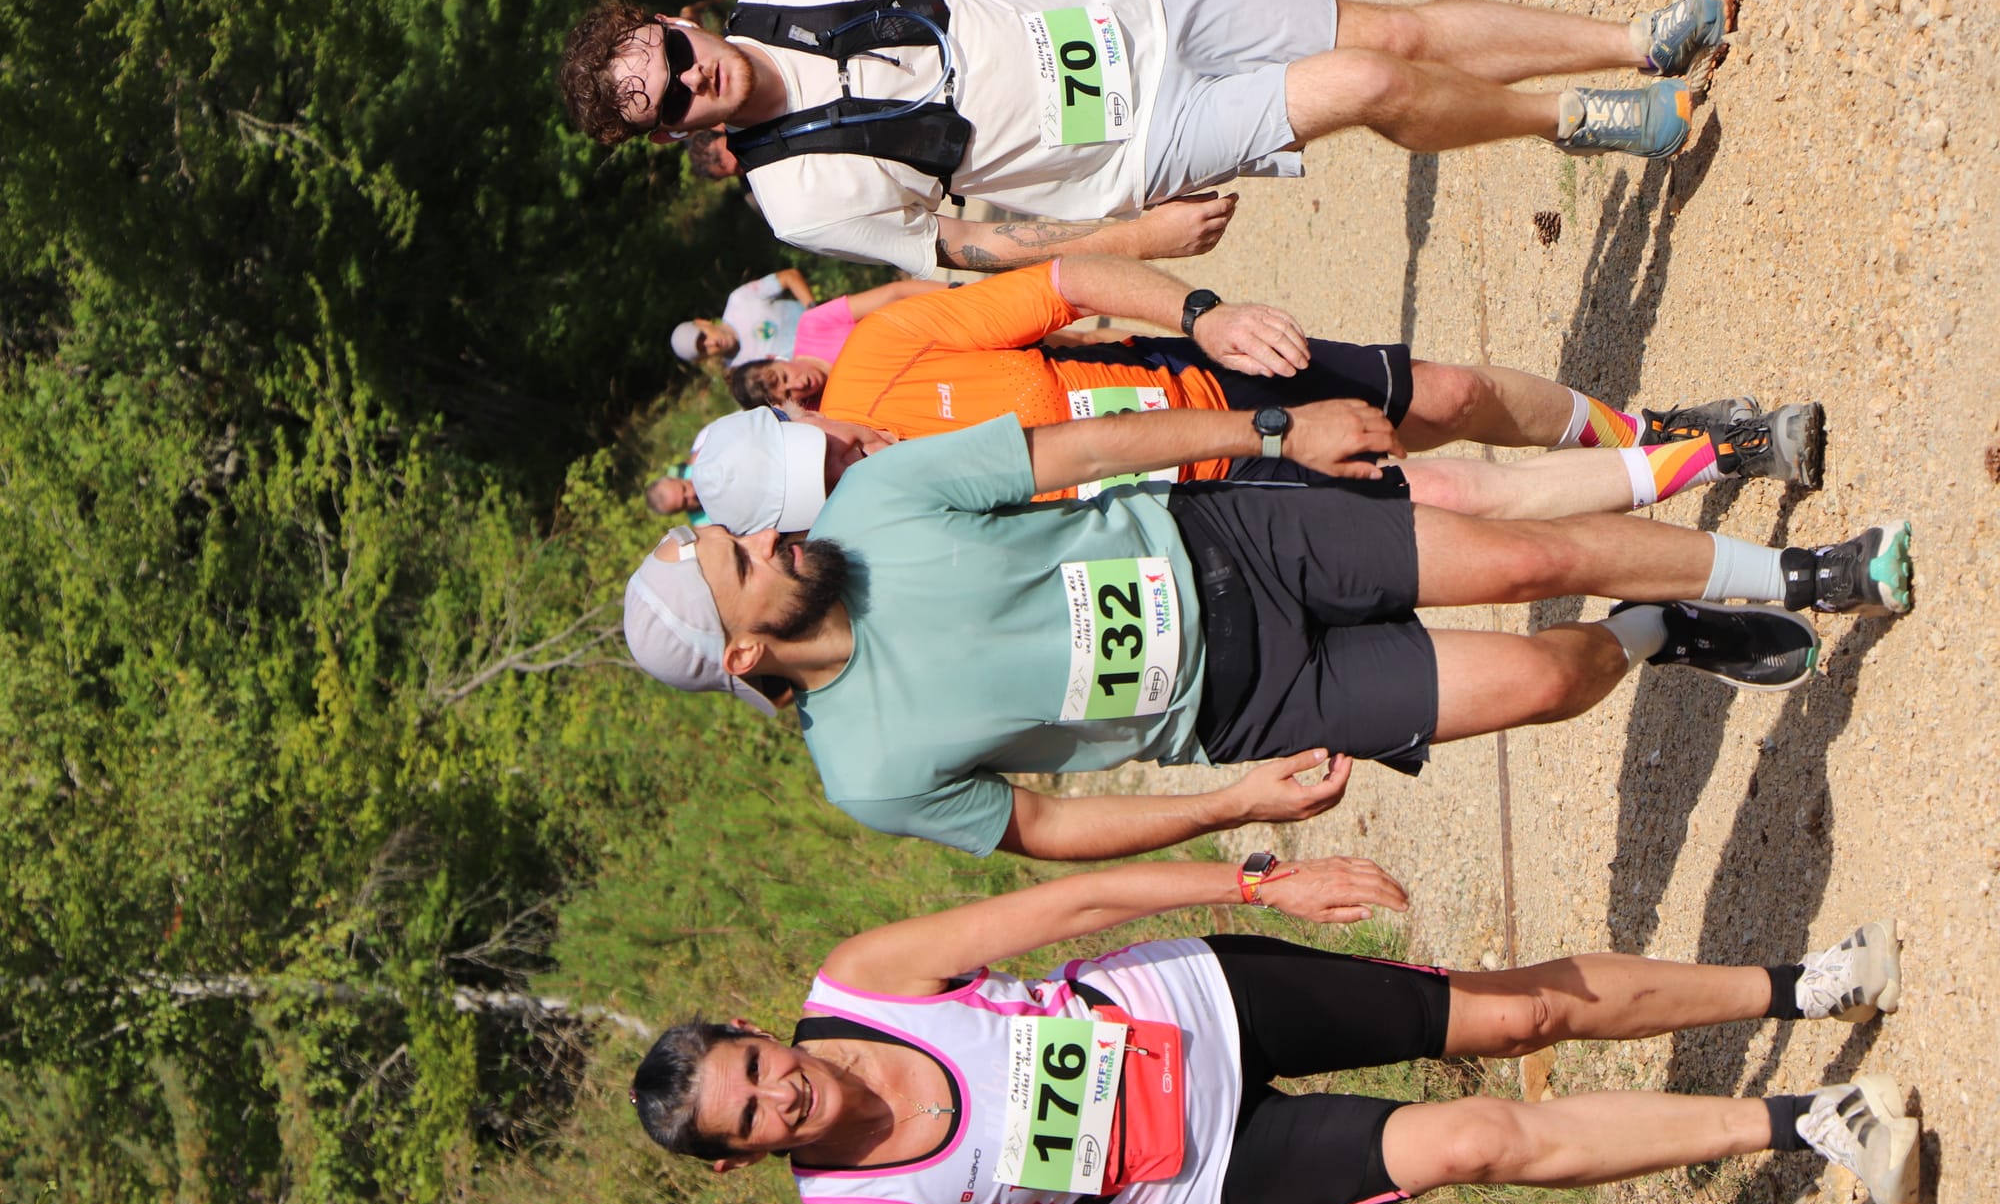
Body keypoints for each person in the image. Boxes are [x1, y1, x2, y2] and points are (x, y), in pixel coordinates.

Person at [631, 852, 1919, 1204]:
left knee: (1514, 1011)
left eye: (754, 1068)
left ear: (757, 1030)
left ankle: (1800, 983)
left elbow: (1069, 898)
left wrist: (1255, 879)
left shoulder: (862, 978)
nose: (779, 1096)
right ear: (743, 1158)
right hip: (1198, 1175)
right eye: (748, 1119)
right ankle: (1811, 1122)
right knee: (1471, 1141)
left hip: (1195, 1002)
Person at [622, 401, 1913, 858]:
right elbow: (1050, 825)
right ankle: (1656, 631)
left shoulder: (876, 501)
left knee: (1527, 551)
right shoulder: (865, 770)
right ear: (742, 656)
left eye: (747, 529)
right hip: (1241, 704)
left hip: (1233, 539)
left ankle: (1805, 569)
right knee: (1541, 679)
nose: (773, 537)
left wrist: (1271, 433)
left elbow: (1080, 448)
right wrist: (1236, 807)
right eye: (743, 560)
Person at [559, 0, 1736, 275]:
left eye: (664, 56)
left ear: (672, 19)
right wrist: (1141, 243)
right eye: (659, 100)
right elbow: (966, 249)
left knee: (1399, 35)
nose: (681, 79)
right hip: (1132, 145)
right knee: (1363, 87)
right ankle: (1575, 119)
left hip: (1134, 8)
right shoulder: (795, 196)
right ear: (666, 135)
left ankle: (1635, 41)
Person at [713, 255, 1824, 522]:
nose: (850, 453)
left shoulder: (884, 355)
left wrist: (1203, 314)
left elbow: (1063, 281)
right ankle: (1713, 460)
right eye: (826, 476)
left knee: (1444, 394)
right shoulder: (875, 519)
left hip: (1184, 376)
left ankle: (1645, 428)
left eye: (828, 439)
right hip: (1201, 513)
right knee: (1447, 498)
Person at [726, 276, 951, 410]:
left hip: (945, 331)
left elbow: (896, 293)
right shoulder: (824, 412)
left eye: (784, 376)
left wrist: (959, 292)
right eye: (787, 396)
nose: (797, 385)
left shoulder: (813, 325)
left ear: (773, 358)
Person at [673, 268, 818, 365]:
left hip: (830, 322)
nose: (712, 343)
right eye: (703, 349)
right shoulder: (741, 372)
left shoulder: (740, 300)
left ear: (702, 322)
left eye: (703, 336)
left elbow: (789, 276)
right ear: (702, 360)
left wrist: (815, 312)